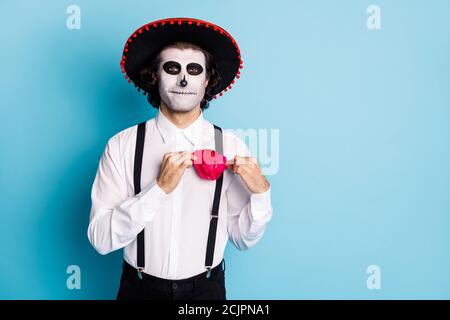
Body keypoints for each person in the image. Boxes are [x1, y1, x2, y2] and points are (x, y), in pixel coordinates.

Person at [87, 17, 273, 300]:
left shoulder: (231, 147)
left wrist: (261, 194)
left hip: (207, 291)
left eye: (194, 70)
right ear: (154, 76)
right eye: (172, 68)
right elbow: (100, 238)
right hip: (138, 290)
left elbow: (242, 239)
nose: (184, 79)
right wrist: (158, 189)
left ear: (207, 80)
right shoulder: (122, 146)